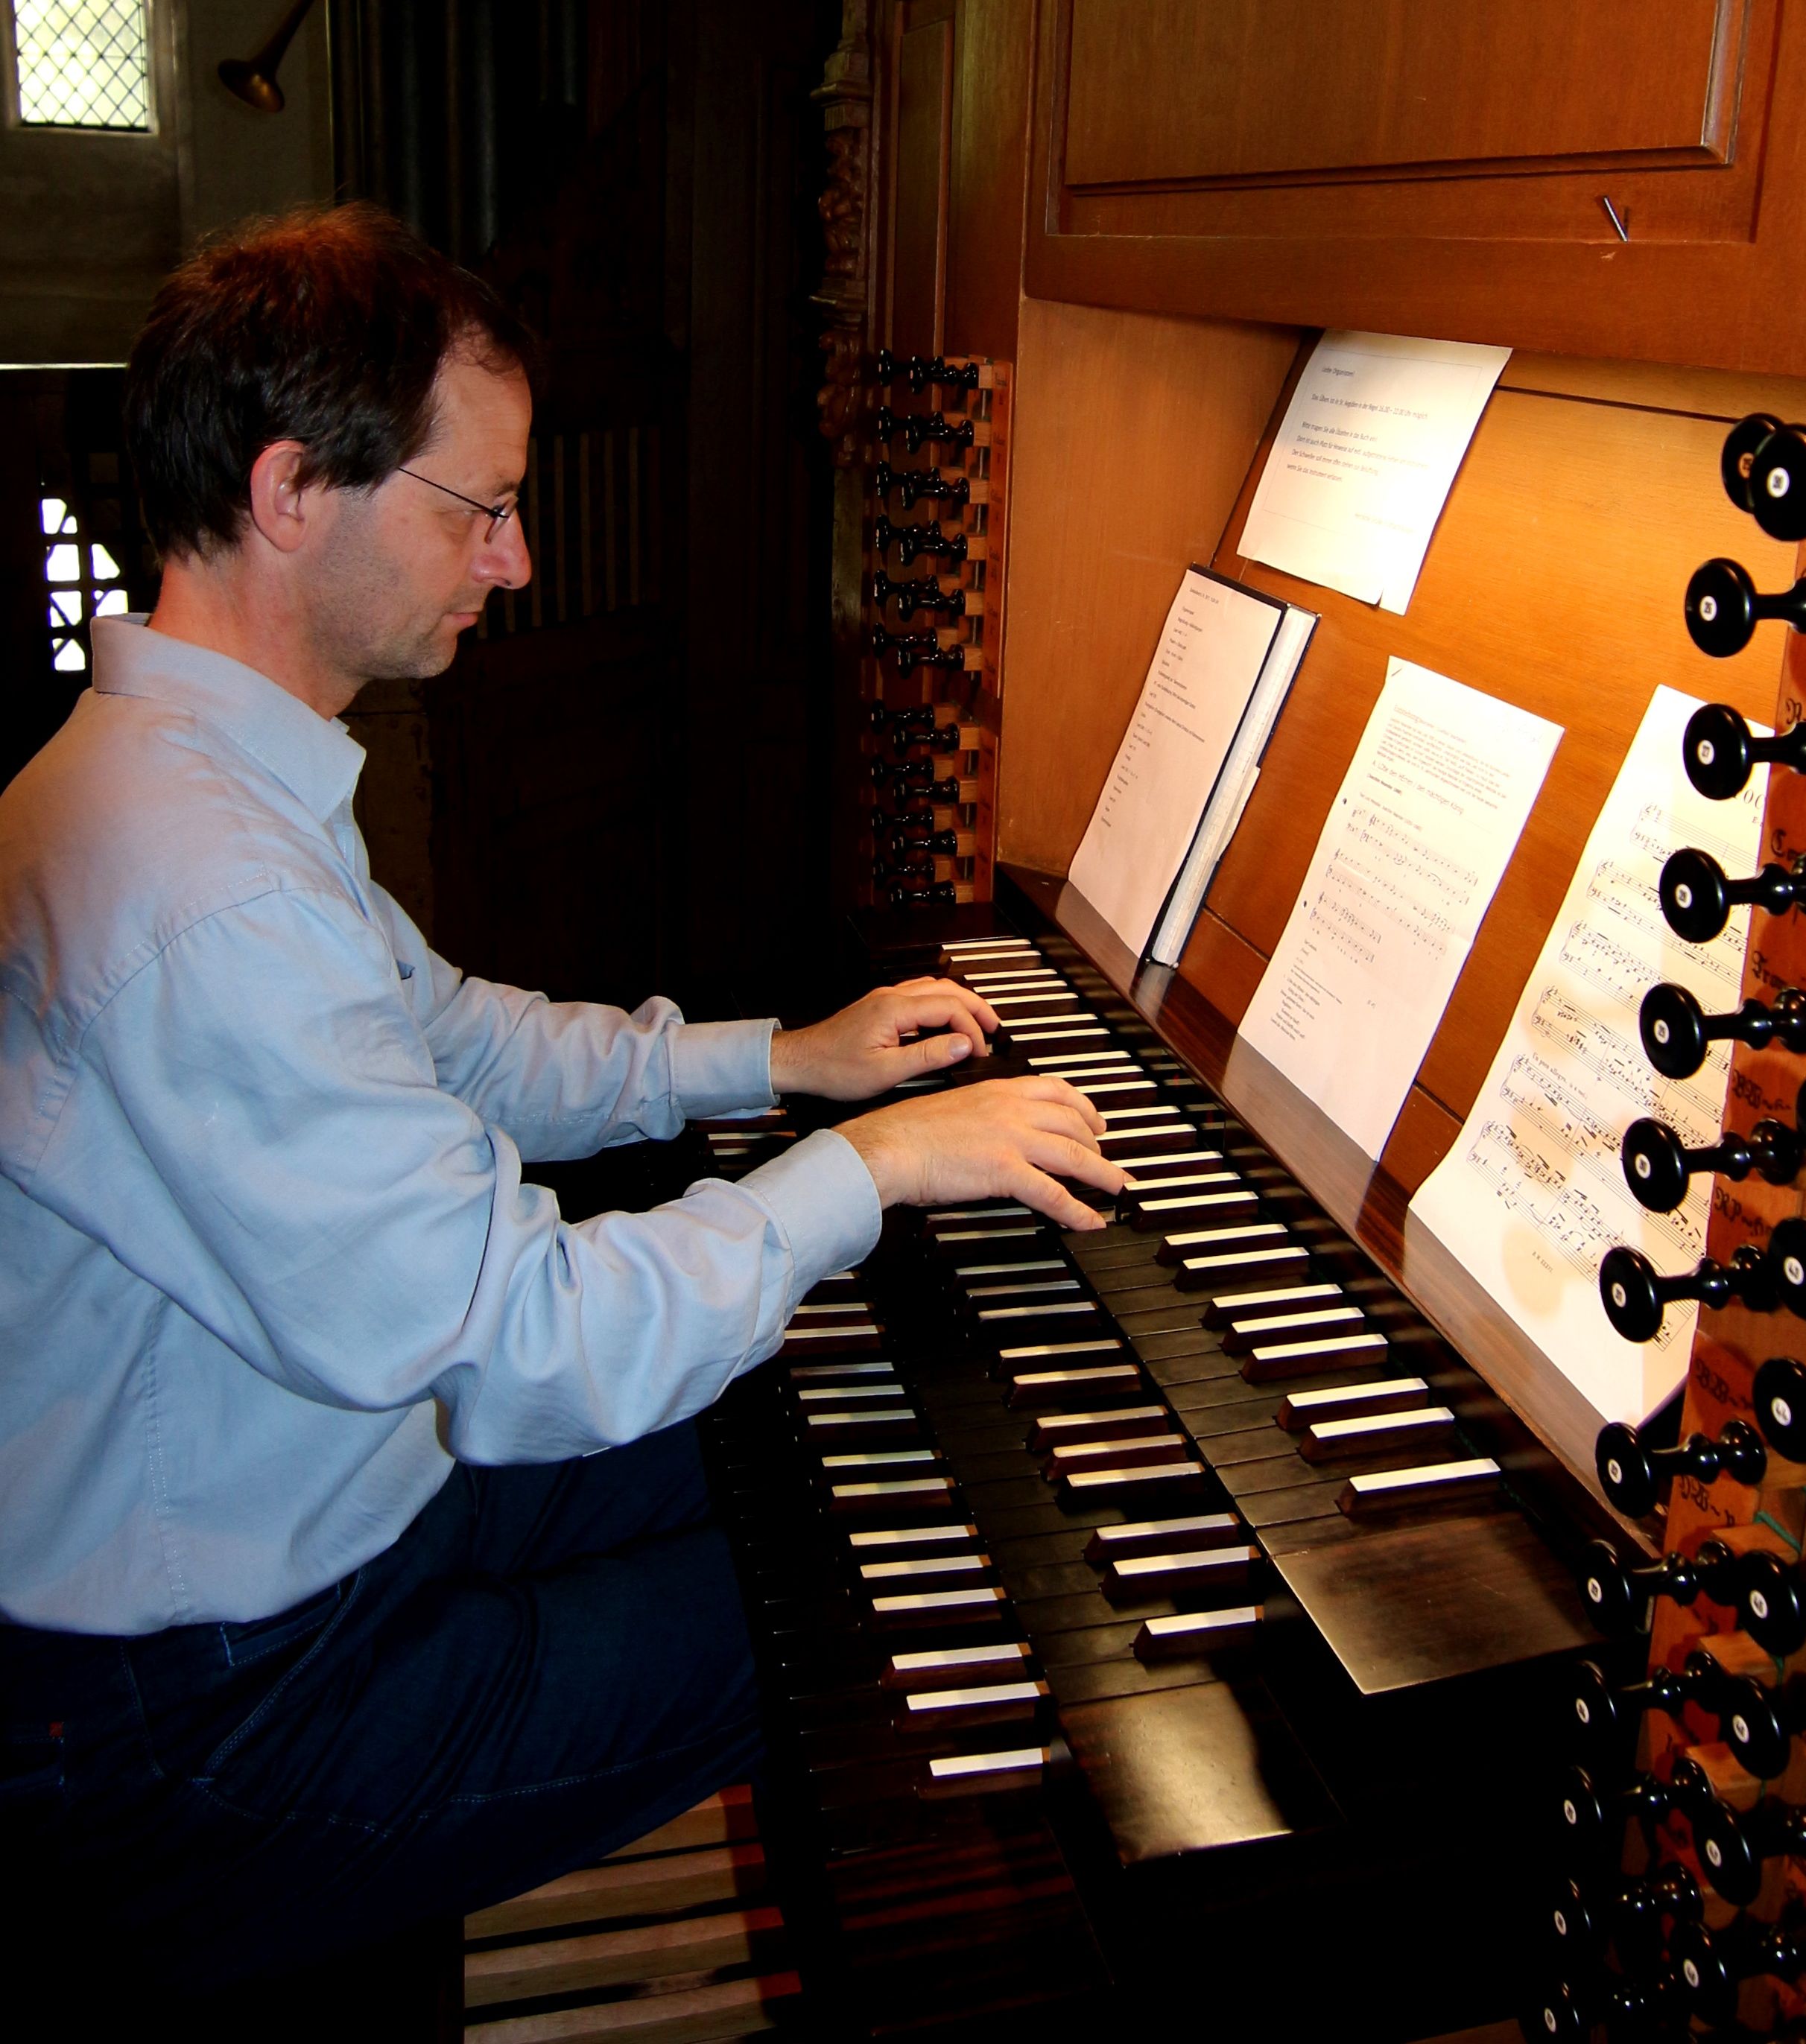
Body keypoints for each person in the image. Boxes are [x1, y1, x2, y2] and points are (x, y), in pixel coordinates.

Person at [0, 204, 1121, 1993]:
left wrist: (775, 1060)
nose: (514, 562)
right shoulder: (193, 884)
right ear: (293, 492)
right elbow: (522, 1339)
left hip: (326, 1509)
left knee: (832, 1465)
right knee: (905, 1610)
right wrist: (864, 1168)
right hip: (192, 1714)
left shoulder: (201, 776)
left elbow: (453, 1044)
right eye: (479, 507)